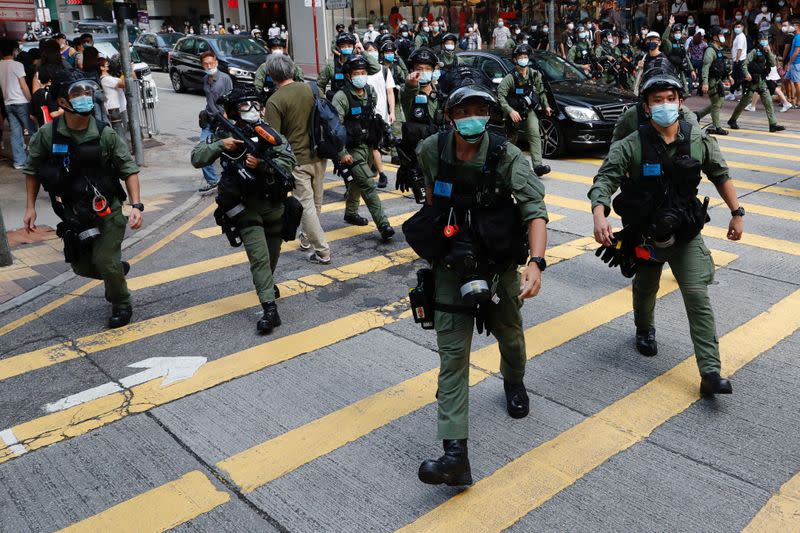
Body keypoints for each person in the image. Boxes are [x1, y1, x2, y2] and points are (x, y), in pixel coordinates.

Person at [404, 84, 548, 486]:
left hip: (498, 264)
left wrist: (535, 263)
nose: (472, 117)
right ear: (449, 116)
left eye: (480, 109)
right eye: (463, 110)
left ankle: (514, 380)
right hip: (451, 267)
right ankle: (455, 456)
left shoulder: (507, 156)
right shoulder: (432, 149)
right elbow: (433, 198)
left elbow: (535, 211)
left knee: (510, 334)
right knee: (452, 359)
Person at [590, 72, 740, 397]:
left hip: (684, 233)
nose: (665, 105)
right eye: (657, 101)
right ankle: (644, 330)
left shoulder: (697, 138)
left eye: (670, 99)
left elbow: (720, 173)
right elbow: (605, 179)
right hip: (645, 234)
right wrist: (599, 212)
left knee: (698, 297)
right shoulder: (632, 144)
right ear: (646, 107)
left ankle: (710, 372)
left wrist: (737, 212)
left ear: (681, 102)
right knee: (646, 288)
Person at [23, 70, 142, 328]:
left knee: (105, 261)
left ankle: (122, 304)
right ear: (63, 101)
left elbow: (129, 169)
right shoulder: (47, 134)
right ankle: (116, 273)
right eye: (77, 93)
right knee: (82, 267)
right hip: (74, 214)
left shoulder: (104, 133)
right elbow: (32, 170)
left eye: (87, 92)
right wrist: (30, 207)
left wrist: (136, 205)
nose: (84, 98)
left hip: (108, 210)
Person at [191, 86, 298, 333]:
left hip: (274, 205)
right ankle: (270, 310)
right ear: (233, 111)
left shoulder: (270, 133)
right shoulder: (224, 134)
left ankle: (266, 286)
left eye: (255, 105)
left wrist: (263, 164)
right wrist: (221, 145)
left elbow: (289, 161)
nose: (252, 110)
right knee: (259, 259)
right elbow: (197, 157)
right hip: (245, 207)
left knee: (270, 257)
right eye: (244, 106)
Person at [262, 54, 330, 265]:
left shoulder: (275, 100)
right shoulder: (312, 89)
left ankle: (322, 251)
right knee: (315, 202)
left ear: (271, 75)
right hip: (320, 155)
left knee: (306, 204)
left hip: (297, 160)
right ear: (292, 70)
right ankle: (306, 239)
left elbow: (273, 138)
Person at [331, 55, 395, 241]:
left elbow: (372, 116)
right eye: (357, 73)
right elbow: (334, 127)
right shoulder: (342, 97)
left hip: (367, 144)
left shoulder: (370, 91)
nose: (361, 76)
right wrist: (341, 153)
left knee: (358, 181)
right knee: (367, 184)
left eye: (364, 73)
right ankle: (383, 224)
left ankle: (350, 212)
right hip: (351, 148)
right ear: (349, 76)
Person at [497, 44, 553, 176]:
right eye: (520, 57)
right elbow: (500, 96)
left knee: (534, 134)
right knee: (512, 139)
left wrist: (546, 106)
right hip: (514, 112)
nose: (523, 59)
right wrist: (510, 111)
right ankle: (506, 166)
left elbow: (541, 92)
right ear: (515, 60)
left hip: (528, 110)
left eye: (525, 57)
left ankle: (538, 166)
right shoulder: (510, 78)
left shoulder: (534, 75)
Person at [397, 47, 444, 203]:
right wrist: (411, 84)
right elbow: (407, 92)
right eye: (419, 69)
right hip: (420, 161)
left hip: (442, 156)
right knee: (428, 202)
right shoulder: (408, 92)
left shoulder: (440, 94)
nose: (423, 72)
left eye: (427, 69)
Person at [727, 32, 786, 132]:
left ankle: (773, 124)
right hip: (752, 82)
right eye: (762, 39)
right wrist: (746, 74)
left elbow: (772, 64)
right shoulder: (754, 52)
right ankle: (732, 120)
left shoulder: (766, 52)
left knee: (768, 103)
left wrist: (769, 52)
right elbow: (744, 64)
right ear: (758, 40)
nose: (764, 40)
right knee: (744, 102)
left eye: (766, 38)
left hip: (762, 82)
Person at [198, 51, 233, 193]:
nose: (209, 65)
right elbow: (209, 100)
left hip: (224, 122)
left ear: (216, 63)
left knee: (228, 154)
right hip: (209, 122)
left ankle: (230, 181)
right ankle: (212, 181)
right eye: (206, 64)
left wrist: (227, 118)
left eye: (211, 63)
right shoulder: (205, 79)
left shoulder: (225, 79)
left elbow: (231, 100)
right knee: (202, 151)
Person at [0, 39, 36, 169]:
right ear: (14, 50)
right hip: (21, 102)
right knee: (33, 131)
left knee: (15, 133)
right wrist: (31, 100)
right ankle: (37, 158)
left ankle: (19, 162)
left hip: (8, 103)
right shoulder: (17, 65)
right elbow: (23, 86)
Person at [364, 41, 395, 189]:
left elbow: (390, 92)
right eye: (369, 51)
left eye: (374, 50)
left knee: (381, 144)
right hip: (368, 116)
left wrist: (392, 111)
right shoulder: (362, 71)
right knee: (374, 144)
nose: (372, 53)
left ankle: (376, 167)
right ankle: (382, 173)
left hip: (382, 114)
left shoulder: (384, 70)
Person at [318, 33, 380, 101]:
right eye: (343, 46)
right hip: (337, 103)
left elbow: (376, 68)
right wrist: (322, 102)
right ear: (338, 47)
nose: (346, 48)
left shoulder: (359, 63)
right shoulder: (331, 66)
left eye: (349, 45)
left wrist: (363, 51)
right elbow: (320, 85)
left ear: (353, 47)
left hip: (356, 102)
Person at [696, 26, 731, 135]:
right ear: (715, 37)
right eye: (720, 35)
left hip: (718, 80)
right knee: (716, 103)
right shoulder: (710, 51)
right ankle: (717, 127)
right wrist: (705, 83)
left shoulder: (719, 50)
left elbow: (721, 67)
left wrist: (729, 77)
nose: (723, 37)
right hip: (711, 81)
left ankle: (698, 115)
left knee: (719, 103)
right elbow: (705, 68)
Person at [661, 19, 696, 93]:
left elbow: (686, 57)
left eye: (679, 32)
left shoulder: (682, 44)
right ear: (673, 34)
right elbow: (664, 38)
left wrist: (692, 70)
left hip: (680, 70)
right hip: (670, 71)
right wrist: (670, 25)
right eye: (676, 32)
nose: (678, 34)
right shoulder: (669, 44)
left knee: (685, 92)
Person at [728, 20, 748, 100]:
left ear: (743, 28)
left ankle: (742, 95)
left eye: (739, 27)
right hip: (738, 60)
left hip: (739, 60)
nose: (737, 28)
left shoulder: (741, 37)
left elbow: (739, 49)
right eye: (736, 27)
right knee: (735, 78)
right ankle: (732, 93)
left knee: (740, 79)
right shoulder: (738, 36)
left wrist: (736, 60)